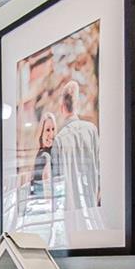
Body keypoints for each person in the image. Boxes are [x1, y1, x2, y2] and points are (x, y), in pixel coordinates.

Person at [52, 82, 104, 233]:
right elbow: (100, 168)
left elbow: (57, 183)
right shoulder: (92, 130)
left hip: (70, 217)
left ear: (62, 107)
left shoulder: (59, 140)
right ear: (77, 104)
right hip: (92, 210)